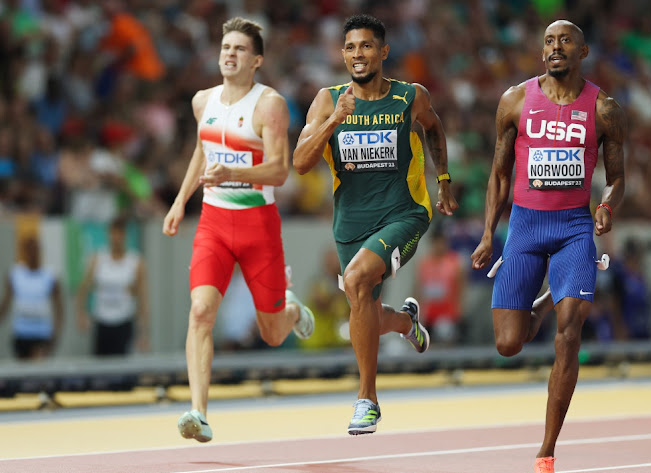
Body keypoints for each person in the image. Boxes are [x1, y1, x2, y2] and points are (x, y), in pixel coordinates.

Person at [470, 20, 626, 473]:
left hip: (575, 228)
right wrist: (486, 234)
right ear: (542, 54)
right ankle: (544, 298)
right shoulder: (514, 100)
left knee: (570, 329)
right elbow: (499, 174)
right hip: (525, 228)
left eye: (565, 41)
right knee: (508, 343)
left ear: (582, 51)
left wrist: (605, 205)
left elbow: (618, 177)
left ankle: (546, 453)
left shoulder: (605, 109)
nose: (555, 47)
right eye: (548, 42)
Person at [293, 14, 458, 435]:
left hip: (404, 214)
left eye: (366, 46)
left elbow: (435, 128)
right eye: (350, 47)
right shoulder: (329, 101)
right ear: (342, 54)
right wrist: (334, 121)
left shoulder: (409, 96)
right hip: (350, 224)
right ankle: (405, 323)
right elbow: (299, 163)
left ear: (383, 52)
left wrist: (443, 180)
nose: (357, 54)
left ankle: (367, 400)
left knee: (356, 280)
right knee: (360, 304)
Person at [162, 17, 314, 443]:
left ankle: (294, 311)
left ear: (257, 60)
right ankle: (199, 412)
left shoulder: (270, 105)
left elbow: (281, 170)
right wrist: (179, 202)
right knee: (200, 312)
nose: (229, 53)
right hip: (213, 222)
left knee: (270, 333)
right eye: (225, 46)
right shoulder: (201, 101)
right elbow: (201, 151)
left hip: (258, 226)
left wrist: (235, 170)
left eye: (240, 49)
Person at [76, 216, 150, 356]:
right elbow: (83, 288)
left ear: (125, 235)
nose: (116, 238)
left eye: (119, 234)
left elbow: (142, 299)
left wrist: (144, 334)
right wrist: (81, 313)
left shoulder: (134, 262)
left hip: (124, 320)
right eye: (113, 233)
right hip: (102, 321)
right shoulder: (98, 259)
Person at [0, 236, 63, 360]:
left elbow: (59, 309)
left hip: (41, 333)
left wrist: (55, 334)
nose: (33, 254)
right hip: (21, 333)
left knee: (37, 371)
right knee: (22, 373)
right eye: (30, 251)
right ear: (24, 252)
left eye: (36, 250)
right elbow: (5, 304)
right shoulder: (15, 275)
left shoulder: (50, 275)